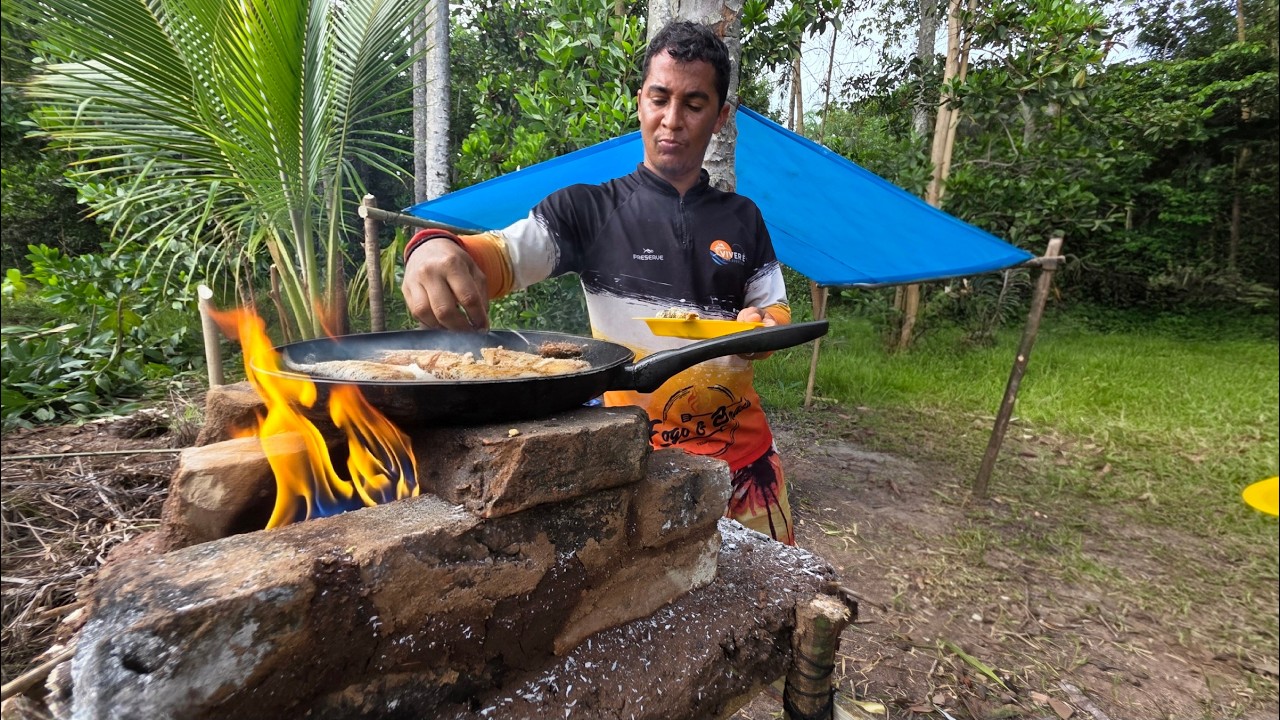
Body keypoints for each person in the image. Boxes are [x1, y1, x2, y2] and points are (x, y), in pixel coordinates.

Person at [401, 21, 796, 545]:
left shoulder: (744, 218)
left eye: (694, 104)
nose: (671, 120)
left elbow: (775, 313)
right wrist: (432, 246)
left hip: (746, 470)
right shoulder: (586, 210)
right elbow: (496, 258)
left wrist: (761, 327)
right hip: (635, 464)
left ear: (721, 117)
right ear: (640, 102)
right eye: (659, 98)